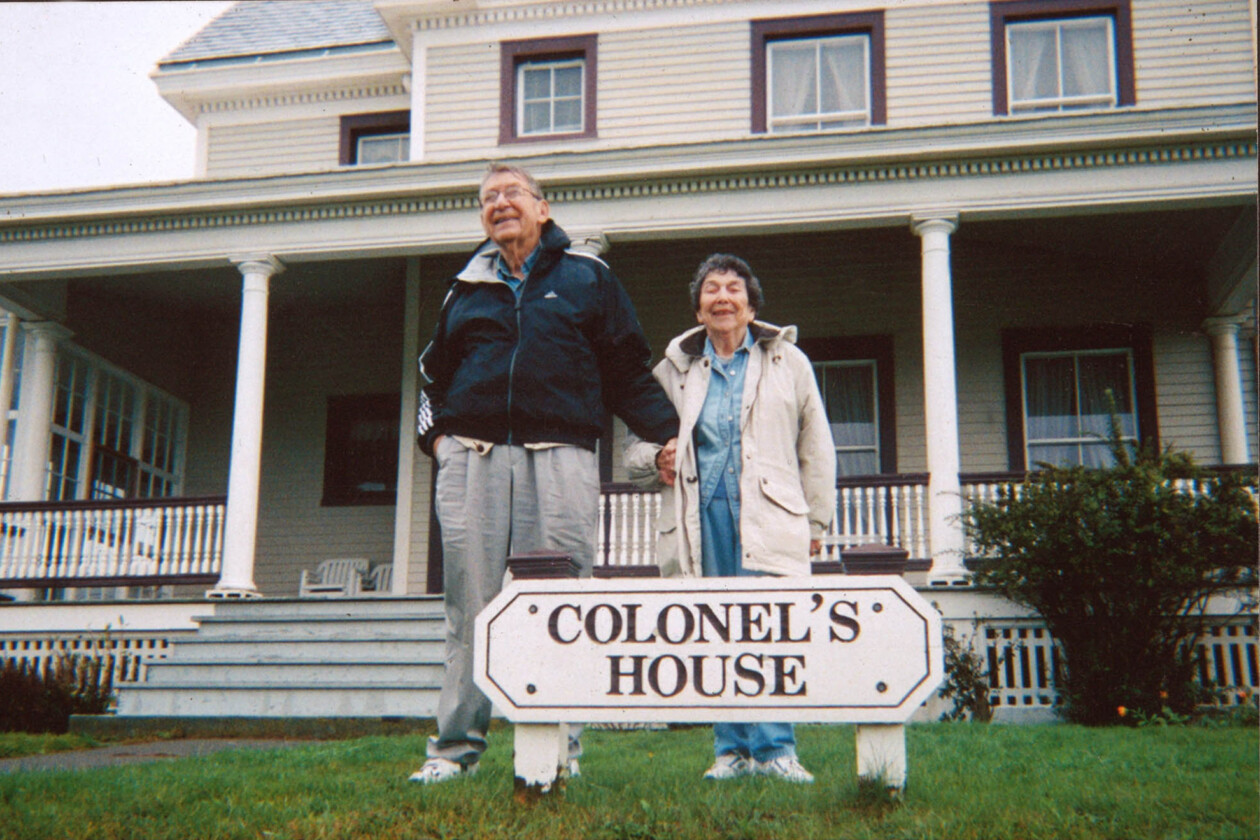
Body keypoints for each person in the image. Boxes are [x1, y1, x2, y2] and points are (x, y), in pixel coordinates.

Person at [409, 163, 679, 784]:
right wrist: (439, 437)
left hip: (561, 456)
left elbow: (627, 370)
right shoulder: (464, 286)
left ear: (543, 207)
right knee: (469, 608)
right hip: (471, 458)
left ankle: (560, 749)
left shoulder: (587, 276)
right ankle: (453, 753)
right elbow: (431, 373)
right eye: (487, 198)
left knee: (563, 605)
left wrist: (672, 436)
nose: (499, 205)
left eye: (512, 194)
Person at [626, 253, 836, 783]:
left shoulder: (789, 362)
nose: (723, 297)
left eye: (734, 289)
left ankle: (777, 750)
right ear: (698, 309)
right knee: (715, 628)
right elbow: (635, 448)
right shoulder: (674, 370)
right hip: (701, 516)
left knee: (768, 628)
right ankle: (731, 752)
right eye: (711, 289)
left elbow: (817, 445)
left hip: (769, 514)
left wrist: (817, 524)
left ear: (751, 305)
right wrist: (656, 458)